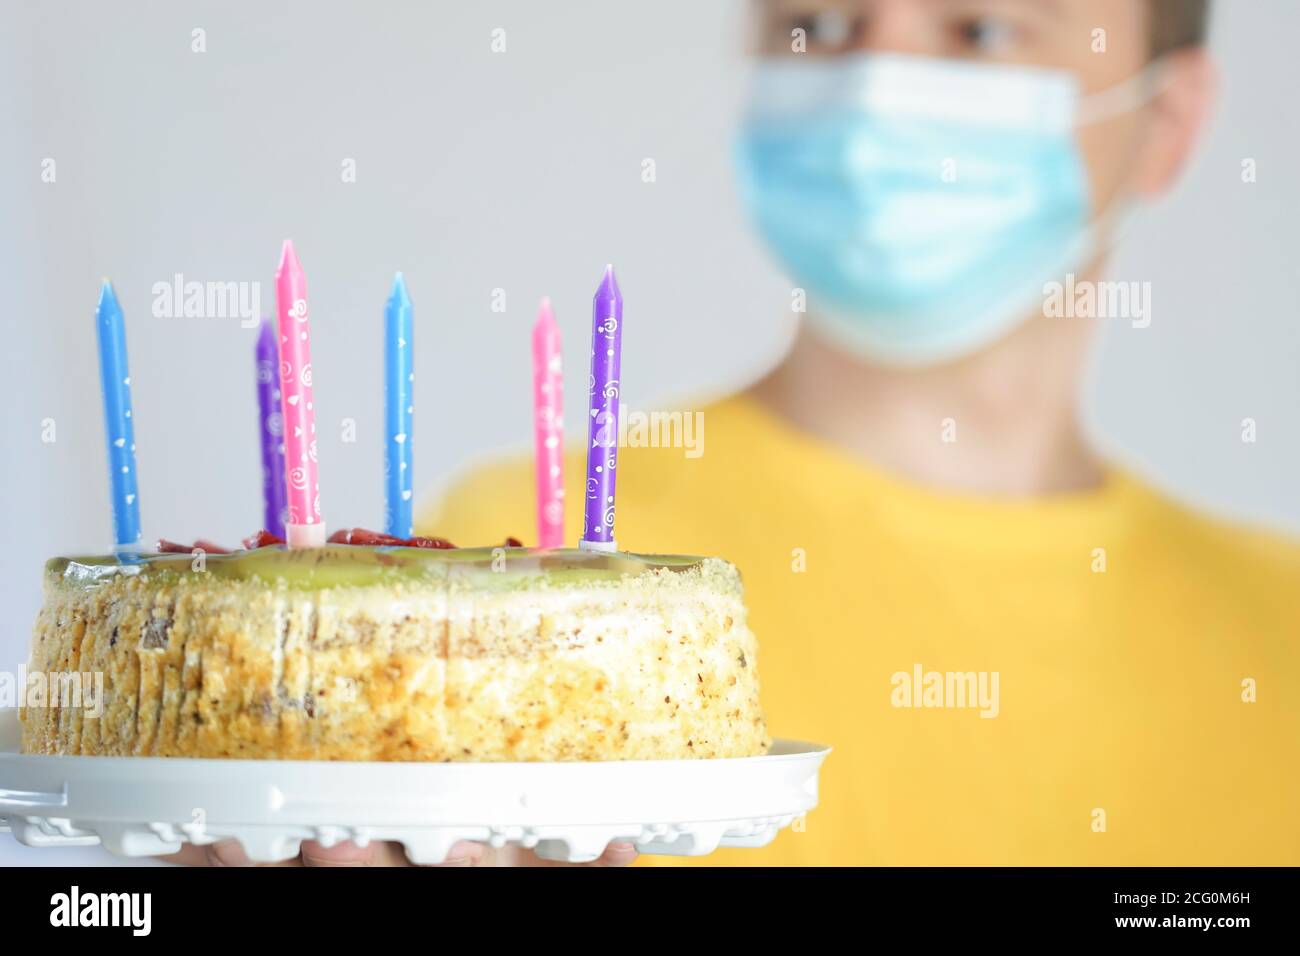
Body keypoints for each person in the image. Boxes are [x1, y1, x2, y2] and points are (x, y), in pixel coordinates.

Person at [186, 0, 1294, 867]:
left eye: (980, 28)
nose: (874, 83)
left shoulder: (1278, 636)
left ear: (1166, 121)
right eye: (819, 25)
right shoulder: (514, 559)